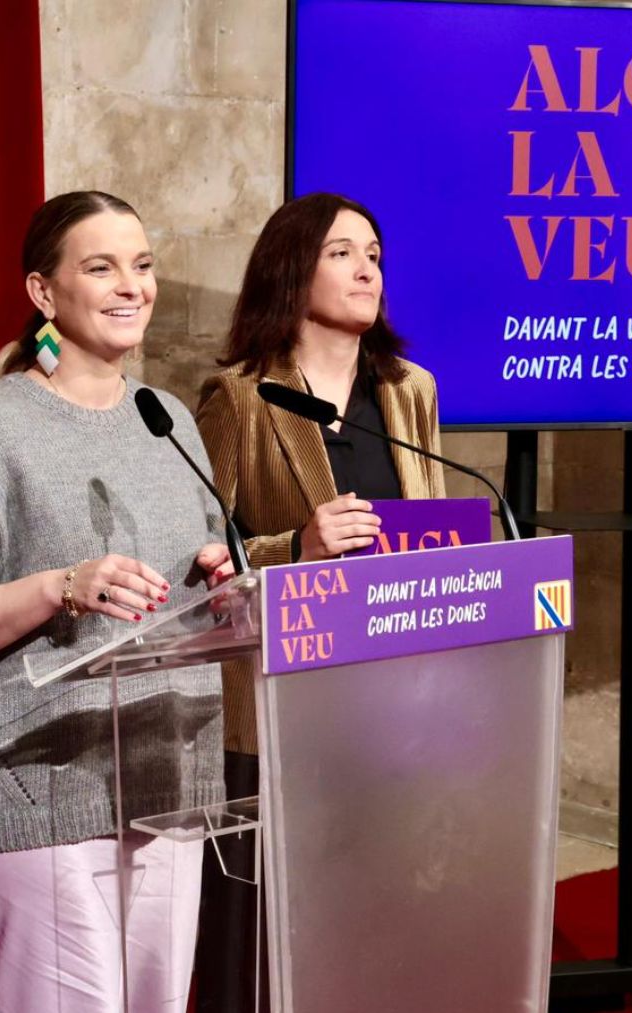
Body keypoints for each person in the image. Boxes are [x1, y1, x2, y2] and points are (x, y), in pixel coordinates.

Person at [0, 190, 234, 1013]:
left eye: (144, 265)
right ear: (44, 294)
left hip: (167, 772)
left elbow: (195, 580)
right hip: (39, 787)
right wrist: (62, 585)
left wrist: (220, 577)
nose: (132, 286)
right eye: (102, 266)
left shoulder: (170, 420)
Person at [191, 192, 447, 1012]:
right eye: (342, 252)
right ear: (291, 270)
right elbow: (201, 562)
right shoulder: (239, 398)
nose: (368, 265)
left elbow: (434, 520)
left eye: (374, 250)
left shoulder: (410, 391)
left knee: (376, 907)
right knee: (264, 929)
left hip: (387, 699)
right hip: (276, 708)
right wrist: (294, 547)